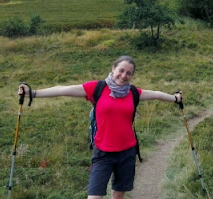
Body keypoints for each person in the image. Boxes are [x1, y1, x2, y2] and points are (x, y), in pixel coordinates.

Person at [17, 55, 182, 199]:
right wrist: (33, 93)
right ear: (113, 68)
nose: (123, 75)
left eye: (128, 73)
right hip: (103, 153)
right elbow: (63, 90)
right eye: (121, 70)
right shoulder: (97, 88)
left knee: (118, 194)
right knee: (94, 196)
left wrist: (175, 98)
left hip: (127, 152)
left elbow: (156, 94)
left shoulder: (133, 93)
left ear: (132, 75)